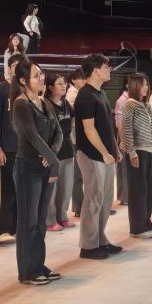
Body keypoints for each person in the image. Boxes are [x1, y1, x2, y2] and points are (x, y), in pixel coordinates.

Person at [10, 58, 63, 284]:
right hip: (28, 168)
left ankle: (38, 265)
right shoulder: (21, 104)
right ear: (23, 81)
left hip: (44, 166)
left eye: (41, 74)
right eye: (36, 75)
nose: (41, 78)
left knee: (41, 221)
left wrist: (51, 156)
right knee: (28, 222)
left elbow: (59, 133)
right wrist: (53, 160)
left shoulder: (45, 102)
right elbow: (31, 136)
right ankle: (27, 272)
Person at [74, 54, 121, 259]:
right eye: (106, 67)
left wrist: (114, 150)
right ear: (95, 71)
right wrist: (104, 153)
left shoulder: (100, 93)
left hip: (106, 155)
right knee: (93, 200)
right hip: (92, 154)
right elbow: (89, 129)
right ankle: (88, 246)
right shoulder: (85, 95)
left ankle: (100, 239)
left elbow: (106, 127)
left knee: (105, 200)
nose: (109, 70)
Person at [0, 53, 23, 245]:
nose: (19, 69)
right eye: (16, 65)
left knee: (20, 191)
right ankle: (1, 230)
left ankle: (16, 228)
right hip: (6, 149)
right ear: (9, 68)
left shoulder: (26, 91)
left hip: (23, 150)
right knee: (6, 190)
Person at [120, 72, 152, 239]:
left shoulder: (146, 104)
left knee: (150, 189)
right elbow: (126, 131)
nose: (146, 87)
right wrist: (131, 152)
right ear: (135, 86)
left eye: (147, 84)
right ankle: (137, 229)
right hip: (138, 152)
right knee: (138, 191)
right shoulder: (129, 105)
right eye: (143, 84)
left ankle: (146, 222)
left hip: (151, 150)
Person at [44, 72, 76, 231]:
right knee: (52, 188)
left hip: (67, 149)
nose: (64, 86)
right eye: (60, 83)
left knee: (66, 187)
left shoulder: (66, 104)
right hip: (53, 151)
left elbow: (72, 122)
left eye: (64, 83)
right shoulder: (45, 104)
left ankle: (62, 216)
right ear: (50, 87)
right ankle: (50, 220)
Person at [66, 67, 85, 216]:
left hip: (79, 138)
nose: (84, 80)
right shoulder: (72, 95)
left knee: (81, 175)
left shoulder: (78, 93)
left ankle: (80, 206)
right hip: (75, 138)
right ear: (73, 80)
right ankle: (79, 207)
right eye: (81, 78)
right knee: (78, 175)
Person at [114, 78, 131, 205]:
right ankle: (124, 197)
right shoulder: (122, 100)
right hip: (124, 135)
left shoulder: (132, 99)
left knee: (129, 168)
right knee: (124, 168)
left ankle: (127, 195)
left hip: (132, 135)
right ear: (127, 85)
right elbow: (119, 122)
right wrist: (122, 140)